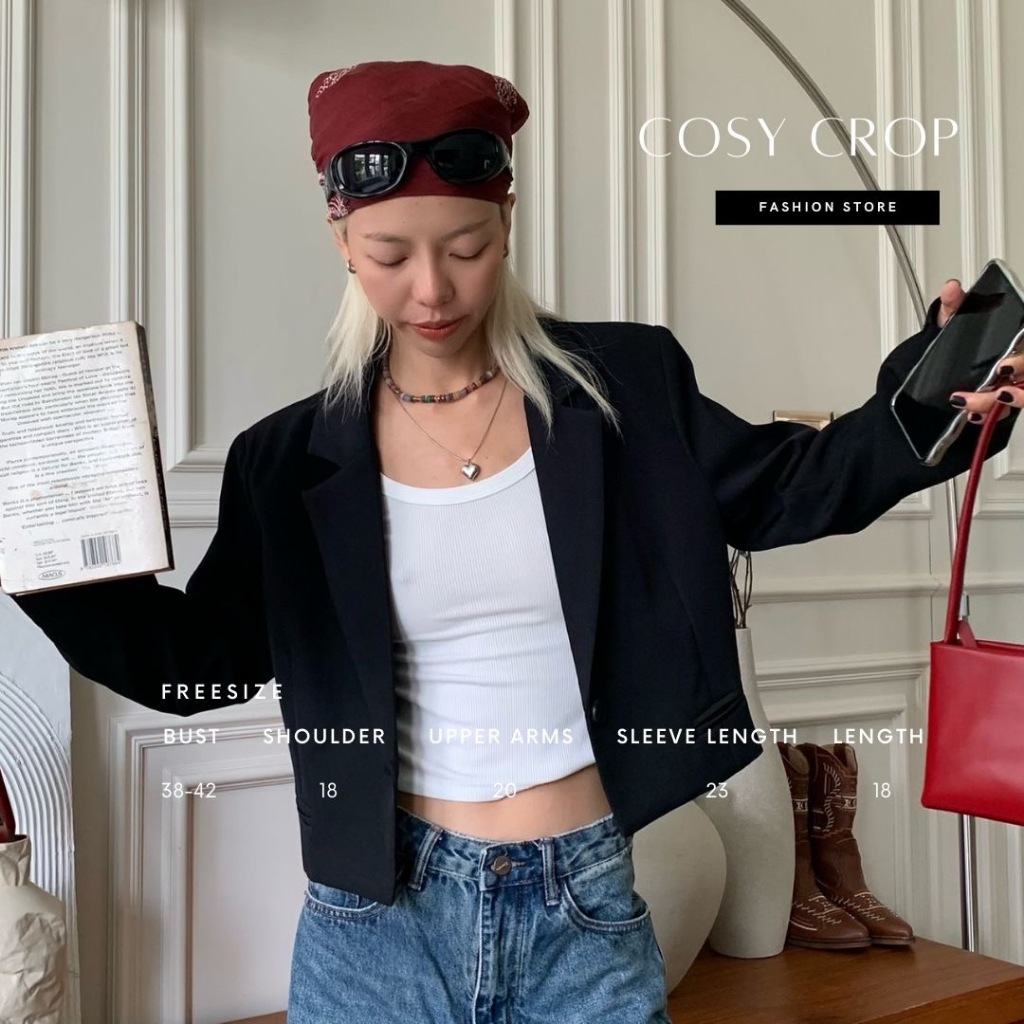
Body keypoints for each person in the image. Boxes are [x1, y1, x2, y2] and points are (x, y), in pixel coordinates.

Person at [8, 58, 1022, 1023]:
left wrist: (933, 397)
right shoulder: (285, 460)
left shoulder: (625, 390)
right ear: (340, 238)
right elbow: (205, 660)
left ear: (506, 220)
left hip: (583, 902)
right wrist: (36, 549)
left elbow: (788, 488)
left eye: (466, 248)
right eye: (390, 256)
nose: (432, 291)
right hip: (374, 924)